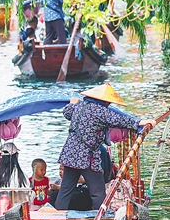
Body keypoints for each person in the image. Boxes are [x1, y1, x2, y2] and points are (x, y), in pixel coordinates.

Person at [56, 83, 155, 211]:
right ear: (105, 101)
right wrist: (141, 122)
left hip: (70, 154)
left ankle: (58, 215)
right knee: (98, 192)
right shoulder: (99, 110)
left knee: (66, 189)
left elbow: (67, 112)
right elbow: (120, 120)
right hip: (87, 157)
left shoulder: (79, 106)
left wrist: (72, 103)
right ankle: (101, 218)